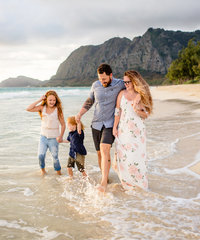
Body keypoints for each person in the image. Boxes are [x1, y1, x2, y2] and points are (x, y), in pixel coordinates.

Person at [75, 63, 125, 192]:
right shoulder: (95, 85)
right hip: (96, 123)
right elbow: (90, 101)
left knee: (104, 149)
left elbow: (132, 88)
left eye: (104, 78)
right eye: (100, 78)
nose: (101, 81)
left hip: (110, 123)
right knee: (99, 154)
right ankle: (106, 177)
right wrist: (80, 113)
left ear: (110, 75)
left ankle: (103, 183)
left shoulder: (120, 83)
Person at [112, 70, 153, 191]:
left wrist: (137, 110)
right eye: (124, 82)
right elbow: (117, 111)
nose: (126, 84)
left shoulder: (141, 95)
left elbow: (146, 115)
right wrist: (115, 127)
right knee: (124, 157)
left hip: (137, 132)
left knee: (136, 157)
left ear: (135, 81)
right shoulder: (121, 94)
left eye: (128, 82)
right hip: (124, 130)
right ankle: (127, 184)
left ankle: (139, 185)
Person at [26, 90, 66, 175]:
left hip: (54, 138)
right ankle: (43, 171)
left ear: (56, 100)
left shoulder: (58, 110)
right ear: (46, 100)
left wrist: (61, 136)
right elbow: (28, 108)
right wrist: (40, 100)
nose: (52, 102)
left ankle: (59, 173)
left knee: (55, 157)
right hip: (43, 137)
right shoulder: (41, 108)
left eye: (54, 100)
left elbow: (63, 125)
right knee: (40, 155)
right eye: (50, 100)